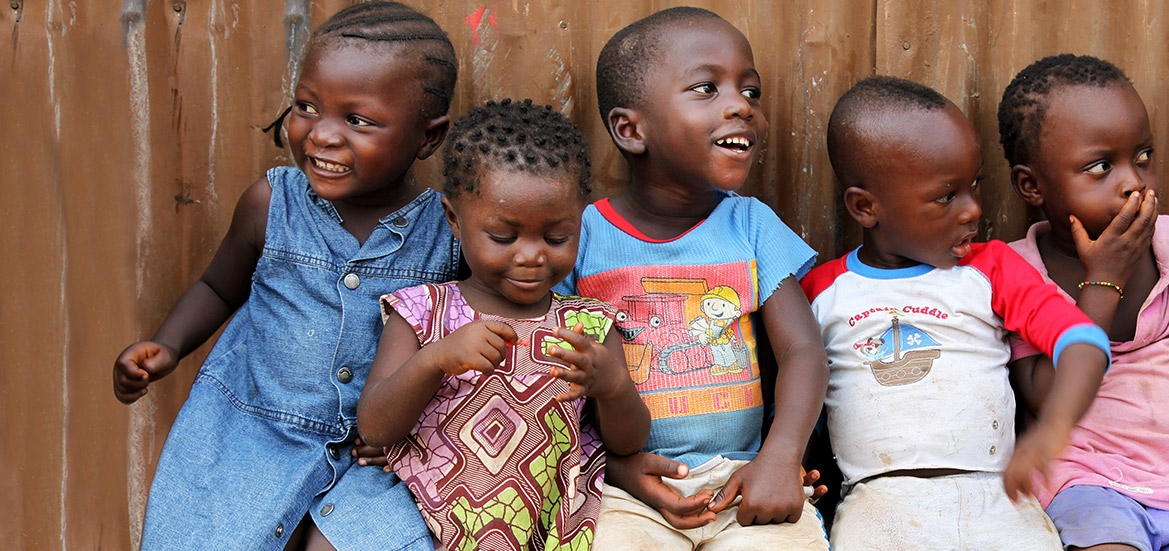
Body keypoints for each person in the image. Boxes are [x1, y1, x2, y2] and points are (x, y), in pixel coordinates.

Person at [110, 2, 459, 549]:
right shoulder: (271, 205)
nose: (321, 135)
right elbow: (216, 287)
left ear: (427, 138)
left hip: (379, 457)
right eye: (307, 106)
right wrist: (166, 346)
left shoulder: (446, 234)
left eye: (358, 120)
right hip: (253, 437)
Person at [801, 75, 1112, 550]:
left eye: (975, 187)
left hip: (999, 496)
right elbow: (790, 392)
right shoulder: (822, 292)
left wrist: (1053, 429)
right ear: (866, 207)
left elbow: (1085, 344)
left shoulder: (992, 269)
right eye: (947, 196)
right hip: (879, 504)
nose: (972, 210)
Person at [559, 7, 830, 550]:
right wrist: (614, 464)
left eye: (750, 91)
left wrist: (781, 458)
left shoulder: (750, 225)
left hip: (747, 480)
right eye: (706, 88)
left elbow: (803, 350)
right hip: (627, 490)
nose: (740, 106)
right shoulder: (582, 237)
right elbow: (554, 375)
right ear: (631, 130)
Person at [993, 53, 1169, 551]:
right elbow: (1043, 395)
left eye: (1142, 156)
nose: (1133, 182)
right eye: (1100, 166)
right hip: (1085, 487)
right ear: (1031, 185)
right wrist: (1105, 280)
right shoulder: (1020, 273)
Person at [355, 99, 651, 549]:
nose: (531, 255)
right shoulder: (423, 313)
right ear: (454, 219)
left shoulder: (586, 325)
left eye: (557, 237)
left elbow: (627, 443)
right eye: (503, 236)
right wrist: (435, 359)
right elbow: (374, 428)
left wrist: (611, 387)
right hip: (423, 527)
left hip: (553, 530)